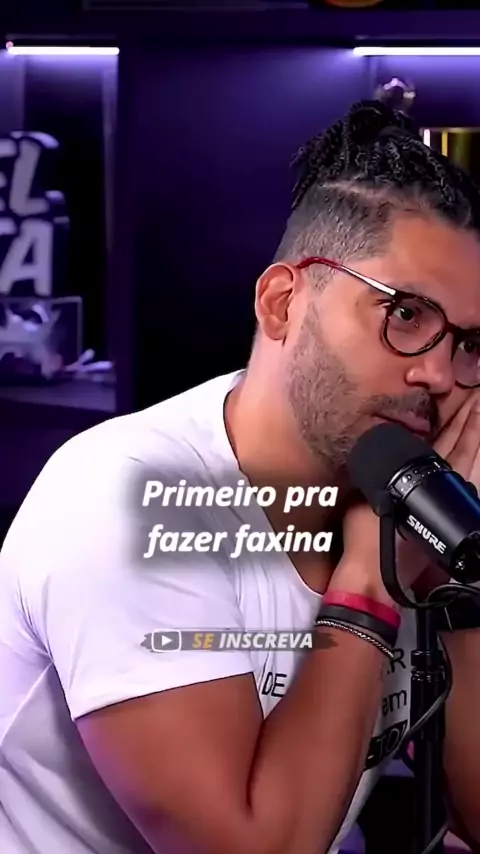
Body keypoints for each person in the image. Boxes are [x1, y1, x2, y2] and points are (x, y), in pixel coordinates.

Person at [2, 99, 480, 854]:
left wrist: (458, 573)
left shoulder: (402, 496)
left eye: (469, 344)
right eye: (406, 315)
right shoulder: (127, 499)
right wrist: (371, 581)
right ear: (283, 303)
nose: (439, 375)